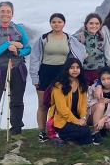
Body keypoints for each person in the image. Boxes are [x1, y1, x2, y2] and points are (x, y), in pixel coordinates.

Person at [30, 13, 85, 141]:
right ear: (50, 24)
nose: (57, 24)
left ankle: (57, 130)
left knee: (61, 104)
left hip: (62, 73)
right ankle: (42, 132)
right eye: (54, 22)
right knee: (43, 105)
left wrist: (76, 69)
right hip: (45, 72)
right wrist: (34, 77)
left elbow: (80, 51)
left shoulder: (69, 38)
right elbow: (35, 58)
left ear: (64, 24)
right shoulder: (44, 38)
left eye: (59, 22)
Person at [0, 2, 30, 146]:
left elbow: (28, 49)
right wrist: (7, 45)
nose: (5, 14)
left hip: (17, 68)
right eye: (2, 11)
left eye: (8, 11)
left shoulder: (19, 29)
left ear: (12, 13)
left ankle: (16, 131)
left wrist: (19, 51)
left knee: (17, 101)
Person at [49, 58, 96, 147]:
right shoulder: (58, 86)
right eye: (72, 67)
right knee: (85, 132)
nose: (75, 70)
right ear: (67, 69)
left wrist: (83, 118)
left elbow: (83, 103)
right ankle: (57, 135)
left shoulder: (81, 84)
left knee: (86, 138)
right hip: (62, 120)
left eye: (77, 67)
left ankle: (69, 137)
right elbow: (61, 108)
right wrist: (76, 121)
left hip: (77, 117)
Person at [88, 67, 110, 137]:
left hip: (107, 115)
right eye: (103, 79)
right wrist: (99, 101)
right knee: (101, 105)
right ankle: (96, 133)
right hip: (92, 114)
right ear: (100, 79)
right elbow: (87, 103)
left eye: (109, 78)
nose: (106, 82)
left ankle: (101, 127)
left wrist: (104, 119)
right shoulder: (94, 88)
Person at [75, 13, 106, 85]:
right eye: (91, 23)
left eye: (97, 23)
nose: (94, 26)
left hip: (100, 72)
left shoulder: (102, 36)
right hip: (84, 72)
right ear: (86, 24)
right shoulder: (79, 37)